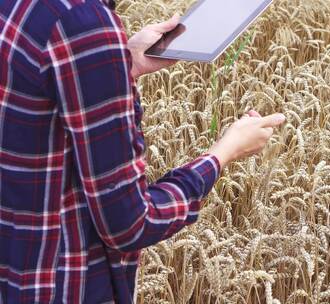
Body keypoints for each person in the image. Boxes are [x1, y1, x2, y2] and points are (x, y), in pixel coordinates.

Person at [0, 0, 285, 302]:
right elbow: (129, 224)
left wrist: (123, 60)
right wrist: (222, 154)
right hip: (63, 285)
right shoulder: (80, 23)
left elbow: (34, 94)